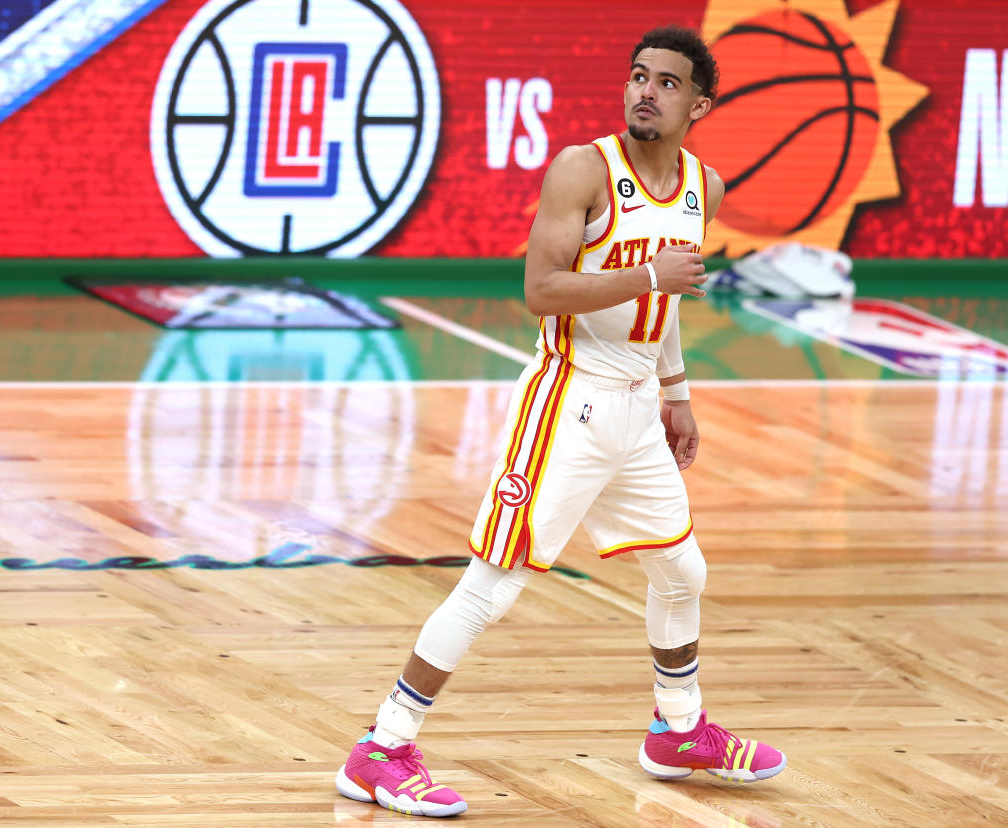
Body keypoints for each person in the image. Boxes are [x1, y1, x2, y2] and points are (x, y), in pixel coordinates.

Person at [334, 25, 786, 818]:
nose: (645, 91)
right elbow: (542, 289)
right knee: (493, 585)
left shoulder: (701, 188)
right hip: (567, 399)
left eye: (668, 83)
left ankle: (676, 731)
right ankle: (382, 747)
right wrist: (647, 272)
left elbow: (669, 302)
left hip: (640, 409)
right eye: (638, 76)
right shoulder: (584, 169)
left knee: (682, 572)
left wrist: (677, 391)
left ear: (700, 104)